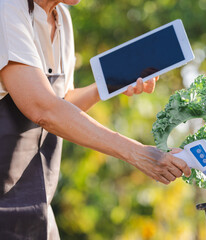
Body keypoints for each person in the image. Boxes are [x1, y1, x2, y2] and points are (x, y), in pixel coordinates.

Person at [0, 0, 191, 239]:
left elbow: (61, 104)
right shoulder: (6, 9)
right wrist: (137, 153)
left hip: (37, 212)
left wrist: (112, 85)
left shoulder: (62, 19)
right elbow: (42, 109)